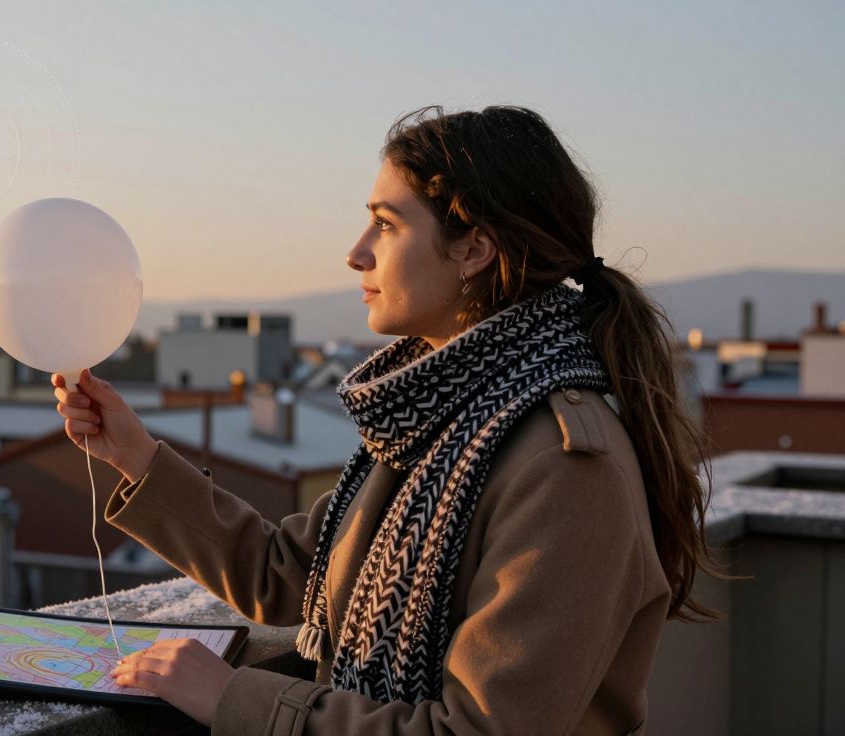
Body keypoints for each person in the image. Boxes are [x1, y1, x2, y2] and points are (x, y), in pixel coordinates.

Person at [51, 105, 722, 735]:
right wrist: (134, 456)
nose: (356, 252)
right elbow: (289, 575)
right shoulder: (434, 419)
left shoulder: (569, 469)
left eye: (387, 224)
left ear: (473, 250)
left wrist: (231, 698)